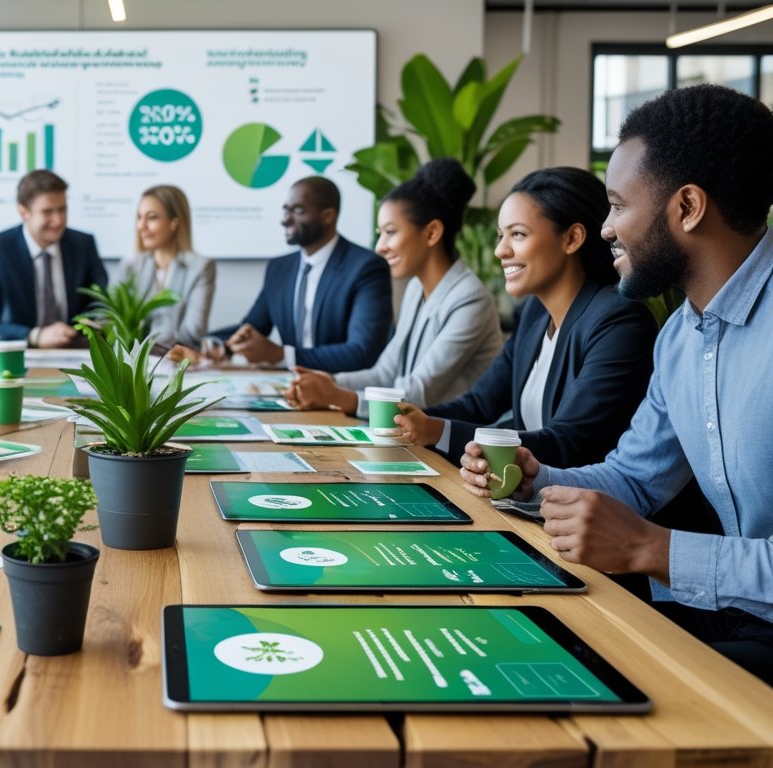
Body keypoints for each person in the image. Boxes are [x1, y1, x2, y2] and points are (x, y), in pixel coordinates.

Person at [458, 85, 773, 683]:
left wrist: (651, 550)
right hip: (724, 611)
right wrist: (535, 479)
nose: (605, 229)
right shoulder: (680, 337)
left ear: (687, 207)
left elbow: (645, 535)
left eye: (618, 206)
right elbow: (635, 476)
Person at [393, 167, 657, 467]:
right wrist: (412, 419)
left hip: (586, 506)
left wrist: (437, 431)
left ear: (572, 238)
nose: (500, 251)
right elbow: (480, 404)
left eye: (517, 234)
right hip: (527, 500)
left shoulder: (619, 322)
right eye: (500, 236)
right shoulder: (535, 313)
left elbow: (570, 442)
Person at [284, 159, 501, 415]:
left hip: (453, 448)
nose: (380, 246)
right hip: (411, 438)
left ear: (432, 233)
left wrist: (340, 397)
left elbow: (419, 392)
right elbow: (385, 372)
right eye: (380, 233)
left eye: (390, 232)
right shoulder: (414, 290)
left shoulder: (469, 299)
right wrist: (326, 381)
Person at [191, 176, 391, 371]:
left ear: (328, 216)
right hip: (291, 387)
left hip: (343, 389)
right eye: (286, 210)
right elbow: (252, 328)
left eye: (298, 210)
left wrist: (282, 355)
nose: (285, 219)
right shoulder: (280, 268)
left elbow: (362, 352)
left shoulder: (366, 267)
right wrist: (213, 346)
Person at [0, 170, 107, 347]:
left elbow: (101, 306)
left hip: (77, 352)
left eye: (62, 209)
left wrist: (86, 327)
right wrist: (36, 336)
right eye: (47, 212)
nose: (58, 220)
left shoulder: (83, 244)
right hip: (22, 356)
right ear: (23, 212)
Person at [116, 185, 214, 348]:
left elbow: (193, 332)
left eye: (152, 217)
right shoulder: (129, 265)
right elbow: (116, 324)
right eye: (139, 217)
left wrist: (146, 343)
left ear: (174, 223)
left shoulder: (201, 267)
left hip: (181, 363)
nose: (141, 226)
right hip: (133, 363)